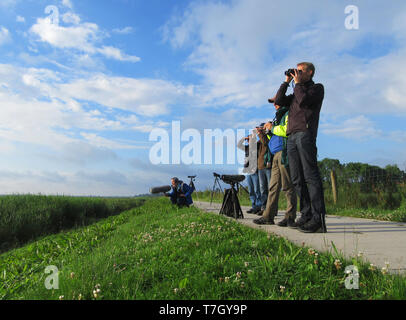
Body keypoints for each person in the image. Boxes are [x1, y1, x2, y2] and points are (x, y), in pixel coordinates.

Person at [273, 62, 327, 233]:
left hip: (305, 134)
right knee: (296, 178)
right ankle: (306, 214)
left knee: (310, 176)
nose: (297, 73)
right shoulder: (296, 91)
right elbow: (279, 101)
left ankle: (318, 219)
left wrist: (297, 84)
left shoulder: (316, 88)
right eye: (296, 71)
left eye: (300, 71)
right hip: (291, 137)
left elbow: (304, 101)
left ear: (310, 73)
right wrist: (286, 81)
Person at [253, 101, 297, 226]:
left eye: (277, 102)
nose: (274, 105)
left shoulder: (288, 114)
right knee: (272, 186)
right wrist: (264, 133)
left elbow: (287, 131)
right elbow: (272, 139)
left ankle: (290, 217)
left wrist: (272, 128)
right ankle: (268, 216)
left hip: (284, 152)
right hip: (275, 155)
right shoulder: (277, 118)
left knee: (287, 186)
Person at [237, 131, 261, 214]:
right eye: (249, 139)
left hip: (255, 171)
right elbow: (239, 145)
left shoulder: (257, 146)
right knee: (251, 190)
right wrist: (244, 138)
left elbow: (261, 141)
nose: (249, 140)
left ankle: (259, 207)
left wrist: (254, 137)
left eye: (250, 139)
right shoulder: (247, 147)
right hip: (248, 172)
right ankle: (254, 206)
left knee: (257, 189)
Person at [256, 123, 271, 214]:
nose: (260, 130)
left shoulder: (268, 136)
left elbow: (266, 143)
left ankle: (271, 208)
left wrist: (261, 133)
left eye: (262, 128)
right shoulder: (260, 139)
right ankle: (264, 207)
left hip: (268, 166)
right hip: (261, 166)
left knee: (270, 188)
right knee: (262, 189)